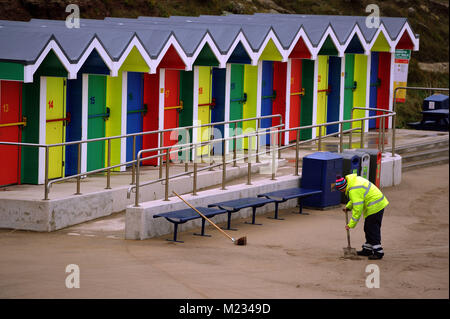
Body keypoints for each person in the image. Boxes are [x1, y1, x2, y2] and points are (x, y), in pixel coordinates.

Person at [335, 174, 389, 260]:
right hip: (376, 203)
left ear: (343, 187)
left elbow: (357, 209)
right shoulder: (353, 183)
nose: (342, 192)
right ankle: (367, 249)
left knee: (372, 228)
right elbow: (357, 199)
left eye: (341, 190)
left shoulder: (353, 190)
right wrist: (348, 206)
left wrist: (351, 224)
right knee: (367, 228)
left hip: (375, 206)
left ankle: (378, 251)